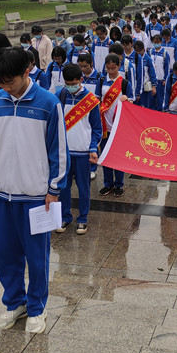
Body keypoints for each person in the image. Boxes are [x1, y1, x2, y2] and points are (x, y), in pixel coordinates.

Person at [0, 47, 67, 334]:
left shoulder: (48, 103)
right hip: (1, 194)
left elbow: (58, 150)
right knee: (5, 254)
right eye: (1, 83)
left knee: (36, 257)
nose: (6, 88)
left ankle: (37, 308)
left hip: (36, 196)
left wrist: (54, 189)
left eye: (11, 82)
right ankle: (14, 303)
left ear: (26, 71)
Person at [56, 64, 101, 235]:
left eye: (73, 83)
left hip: (83, 152)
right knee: (63, 187)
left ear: (81, 80)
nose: (70, 87)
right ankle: (65, 216)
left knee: (83, 187)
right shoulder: (61, 95)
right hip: (64, 152)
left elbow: (96, 128)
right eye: (67, 83)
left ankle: (83, 218)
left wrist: (92, 148)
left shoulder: (90, 100)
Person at [98, 53, 132, 197]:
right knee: (105, 155)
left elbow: (131, 102)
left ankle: (119, 184)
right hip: (105, 124)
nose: (111, 71)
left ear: (119, 66)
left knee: (118, 156)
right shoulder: (101, 81)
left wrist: (127, 99)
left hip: (118, 125)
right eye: (108, 69)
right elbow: (97, 100)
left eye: (113, 68)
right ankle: (108, 184)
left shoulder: (124, 83)